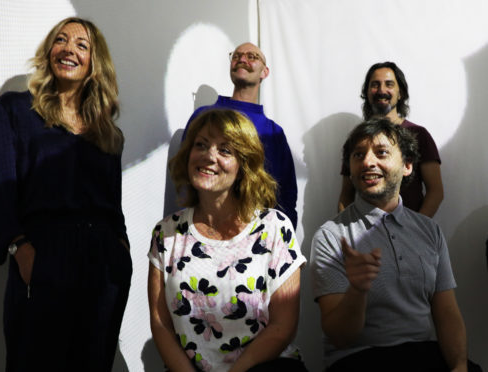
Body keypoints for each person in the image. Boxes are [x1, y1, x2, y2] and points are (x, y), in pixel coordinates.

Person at [0, 17, 132, 372]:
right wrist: (19, 247)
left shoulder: (107, 131)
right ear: (49, 51)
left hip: (104, 263)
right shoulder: (15, 109)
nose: (69, 49)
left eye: (82, 45)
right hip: (43, 251)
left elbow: (113, 203)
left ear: (96, 62)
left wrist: (121, 251)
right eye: (61, 41)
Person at [311, 119, 481, 371]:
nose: (368, 162)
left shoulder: (429, 230)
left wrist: (458, 366)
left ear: (407, 166)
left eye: (381, 152)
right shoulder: (331, 236)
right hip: (358, 359)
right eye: (358, 155)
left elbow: (447, 313)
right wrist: (357, 290)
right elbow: (340, 337)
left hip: (422, 354)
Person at [149, 109, 308, 372]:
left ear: (243, 165)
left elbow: (283, 326)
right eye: (201, 145)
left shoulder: (274, 227)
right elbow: (161, 323)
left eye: (225, 150)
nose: (209, 156)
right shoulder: (166, 233)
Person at [182, 42, 298, 228]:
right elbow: (183, 176)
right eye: (236, 56)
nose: (242, 59)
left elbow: (286, 193)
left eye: (251, 56)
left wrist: (284, 239)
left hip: (256, 236)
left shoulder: (273, 132)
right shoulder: (202, 117)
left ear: (264, 72)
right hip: (203, 229)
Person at [338, 62, 443, 217]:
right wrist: (344, 231)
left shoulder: (419, 134)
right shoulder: (357, 139)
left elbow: (435, 191)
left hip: (410, 234)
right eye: (375, 85)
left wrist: (414, 230)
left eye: (389, 84)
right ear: (367, 93)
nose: (381, 90)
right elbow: (346, 195)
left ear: (400, 93)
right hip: (366, 236)